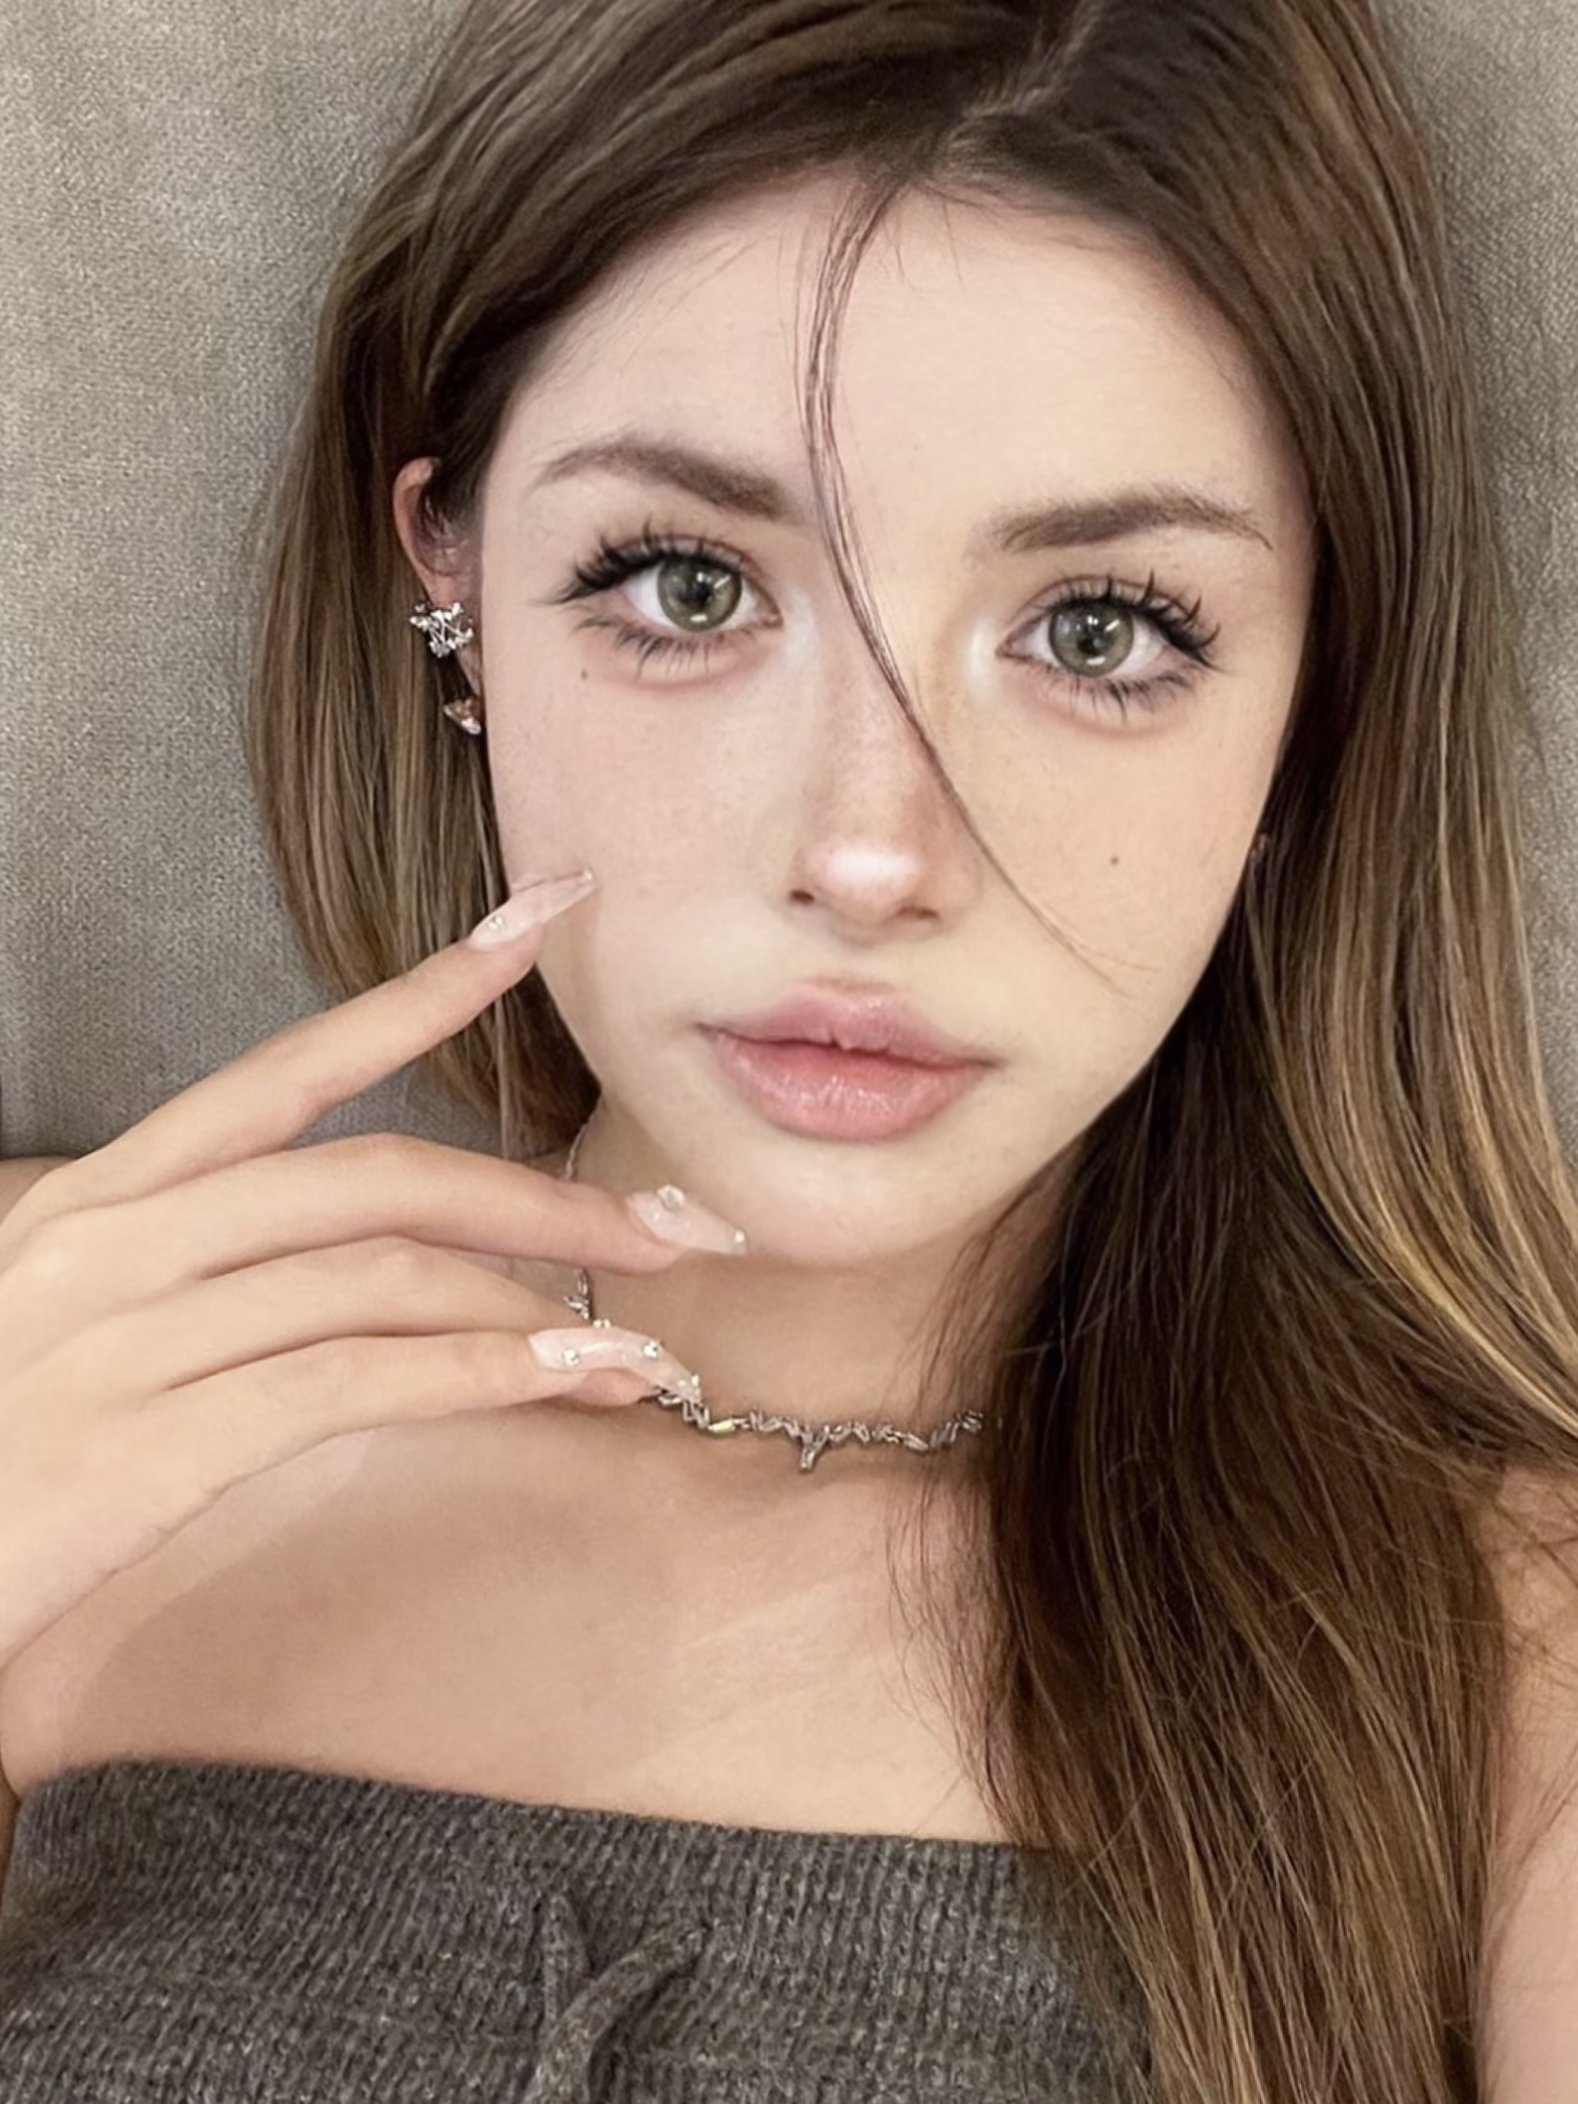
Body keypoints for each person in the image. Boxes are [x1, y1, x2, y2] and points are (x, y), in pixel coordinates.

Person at [0, 0, 1575, 2097]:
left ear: (1314, 698)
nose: (866, 850)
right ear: (450, 581)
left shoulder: (1510, 1655)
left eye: (1098, 629)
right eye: (686, 585)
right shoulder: (57, 1359)